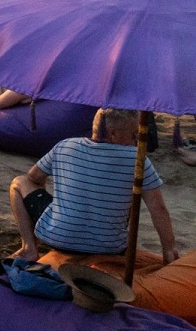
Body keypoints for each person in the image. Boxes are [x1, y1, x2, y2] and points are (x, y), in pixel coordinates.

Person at [11, 109, 178, 263]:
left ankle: (29, 248)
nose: (136, 141)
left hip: (57, 237)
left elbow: (33, 176)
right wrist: (169, 251)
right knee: (125, 195)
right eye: (134, 135)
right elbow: (158, 209)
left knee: (19, 182)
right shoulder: (137, 159)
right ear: (113, 133)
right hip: (110, 247)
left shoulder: (65, 145)